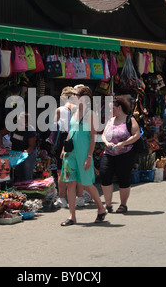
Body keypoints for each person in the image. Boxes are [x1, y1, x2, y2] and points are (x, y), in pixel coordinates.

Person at [59, 85, 107, 226]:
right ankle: (72, 216)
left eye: (75, 95)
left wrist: (89, 157)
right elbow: (71, 130)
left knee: (86, 184)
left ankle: (101, 207)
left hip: (83, 152)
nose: (73, 97)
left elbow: (93, 137)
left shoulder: (90, 114)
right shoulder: (74, 112)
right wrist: (64, 148)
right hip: (71, 152)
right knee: (70, 183)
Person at [100, 96, 140, 214]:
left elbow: (136, 135)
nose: (110, 110)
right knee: (104, 174)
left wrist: (123, 143)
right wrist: (107, 143)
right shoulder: (110, 120)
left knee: (123, 179)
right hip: (109, 153)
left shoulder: (130, 119)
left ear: (119, 107)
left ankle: (123, 204)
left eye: (112, 108)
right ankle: (108, 204)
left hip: (125, 154)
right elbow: (103, 135)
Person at [52, 87, 85, 208]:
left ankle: (62, 198)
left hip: (65, 140)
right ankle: (80, 198)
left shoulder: (60, 110)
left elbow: (54, 128)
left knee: (61, 171)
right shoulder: (81, 110)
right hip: (79, 140)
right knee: (78, 170)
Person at [0, 112, 37, 181]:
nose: (18, 125)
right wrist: (1, 144)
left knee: (26, 173)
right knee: (17, 172)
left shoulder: (31, 131)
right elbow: (0, 133)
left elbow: (31, 147)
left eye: (21, 124)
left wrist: (26, 153)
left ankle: (27, 189)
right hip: (15, 151)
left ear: (27, 124)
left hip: (28, 153)